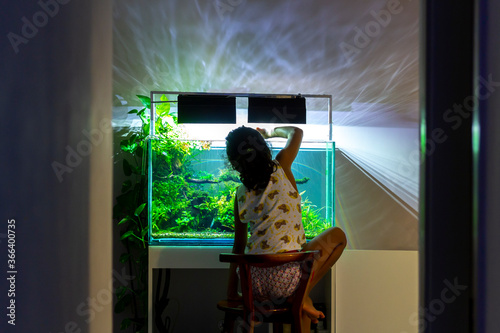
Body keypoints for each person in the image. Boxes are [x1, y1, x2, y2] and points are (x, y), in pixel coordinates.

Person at [225, 125, 347, 331]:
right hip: (288, 280)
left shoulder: (239, 194)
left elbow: (239, 246)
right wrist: (268, 132)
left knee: (301, 256)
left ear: (235, 164)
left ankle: (299, 301)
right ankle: (303, 295)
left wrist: (232, 292)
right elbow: (296, 133)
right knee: (338, 236)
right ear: (264, 149)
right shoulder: (281, 166)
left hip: (253, 284)